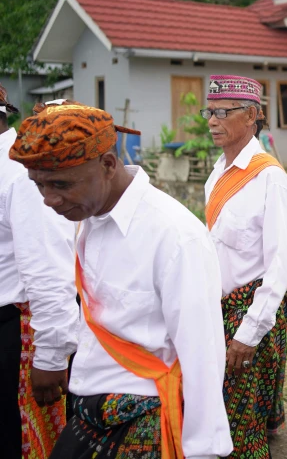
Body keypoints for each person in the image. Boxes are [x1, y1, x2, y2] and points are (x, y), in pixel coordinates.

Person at [9, 102, 232, 458]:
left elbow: (203, 354)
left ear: (108, 165)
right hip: (88, 410)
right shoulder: (88, 218)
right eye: (39, 186)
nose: (49, 200)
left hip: (144, 418)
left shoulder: (174, 236)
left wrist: (203, 449)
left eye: (60, 184)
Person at [203, 75, 287, 457]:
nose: (212, 120)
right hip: (218, 307)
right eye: (210, 111)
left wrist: (250, 331)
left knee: (243, 428)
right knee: (220, 415)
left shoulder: (270, 179)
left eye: (223, 112)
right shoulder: (218, 172)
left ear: (253, 116)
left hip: (248, 312)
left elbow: (279, 265)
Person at [0, 88, 78, 459]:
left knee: (18, 442)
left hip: (15, 333)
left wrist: (49, 357)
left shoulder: (22, 171)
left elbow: (49, 268)